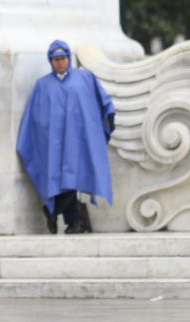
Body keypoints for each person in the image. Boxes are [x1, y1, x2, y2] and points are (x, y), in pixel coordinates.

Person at [16, 39, 115, 234]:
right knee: (66, 181)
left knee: (74, 179)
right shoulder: (43, 86)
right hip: (55, 145)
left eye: (63, 58)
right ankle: (73, 220)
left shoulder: (84, 79)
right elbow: (35, 118)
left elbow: (101, 103)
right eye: (56, 59)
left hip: (79, 142)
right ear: (50, 61)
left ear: (69, 59)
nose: (60, 62)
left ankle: (58, 212)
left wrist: (98, 129)